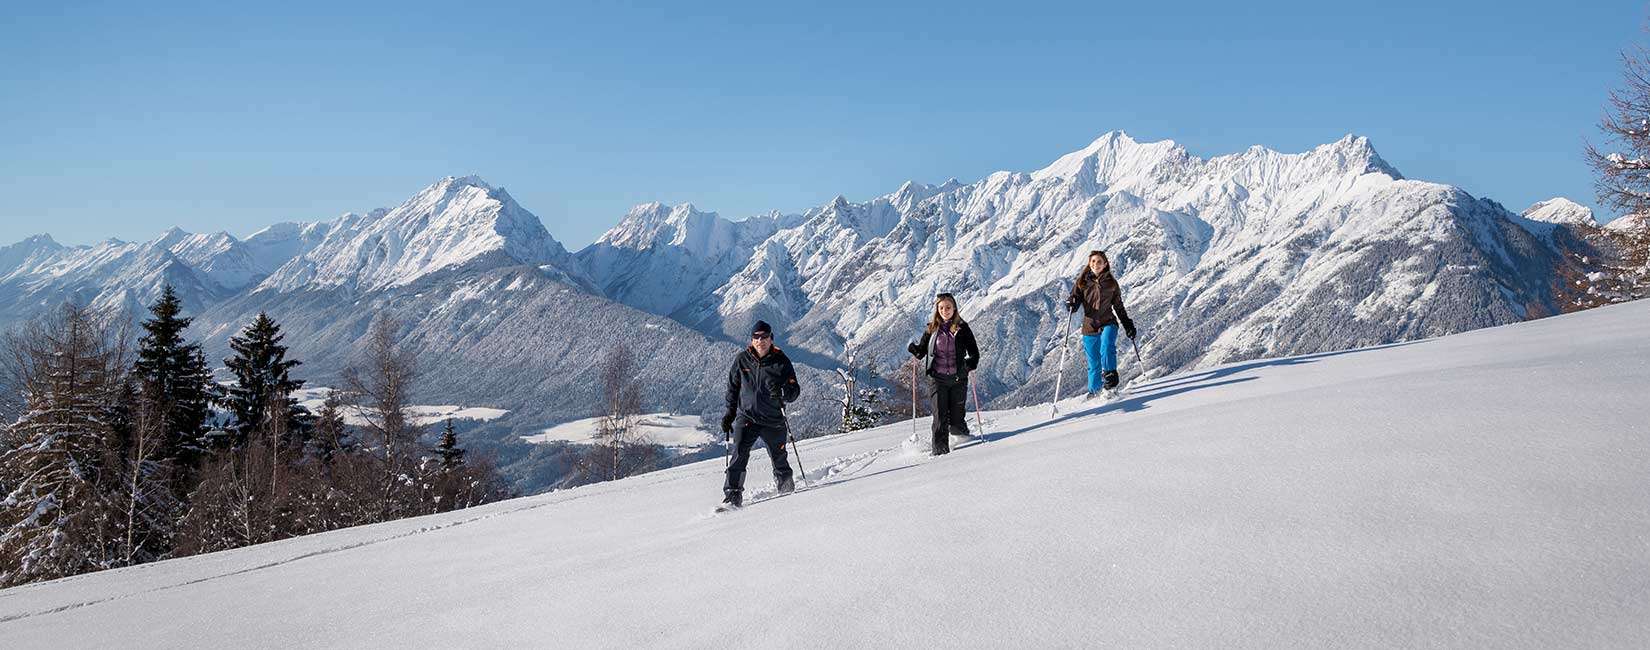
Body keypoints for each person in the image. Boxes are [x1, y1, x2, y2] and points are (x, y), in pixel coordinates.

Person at [720, 320, 801, 509]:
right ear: (751, 340)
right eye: (756, 337)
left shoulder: (781, 361)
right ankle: (733, 495)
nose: (760, 341)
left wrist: (782, 393)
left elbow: (794, 391)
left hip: (773, 419)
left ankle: (787, 490)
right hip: (747, 417)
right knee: (739, 454)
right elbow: (732, 388)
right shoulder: (742, 360)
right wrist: (729, 414)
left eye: (764, 337)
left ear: (771, 339)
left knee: (779, 457)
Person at [906, 293, 981, 455]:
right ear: (937, 310)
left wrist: (969, 364)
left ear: (954, 308)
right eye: (941, 308)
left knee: (956, 419)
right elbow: (921, 352)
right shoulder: (931, 328)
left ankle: (962, 437)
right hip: (937, 379)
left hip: (958, 379)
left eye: (948, 307)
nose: (944, 311)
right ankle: (940, 454)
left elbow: (974, 352)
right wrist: (914, 349)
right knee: (939, 418)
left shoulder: (963, 328)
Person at [1064, 250, 1136, 397]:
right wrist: (1071, 304)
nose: (1096, 264)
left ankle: (1110, 381)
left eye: (1099, 261)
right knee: (1094, 363)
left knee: (1107, 345)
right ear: (1089, 264)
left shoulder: (1112, 284)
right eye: (1093, 261)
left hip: (1108, 322)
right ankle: (1095, 392)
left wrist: (1128, 324)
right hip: (1089, 326)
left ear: (1105, 264)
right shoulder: (1082, 283)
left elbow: (1119, 307)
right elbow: (1074, 301)